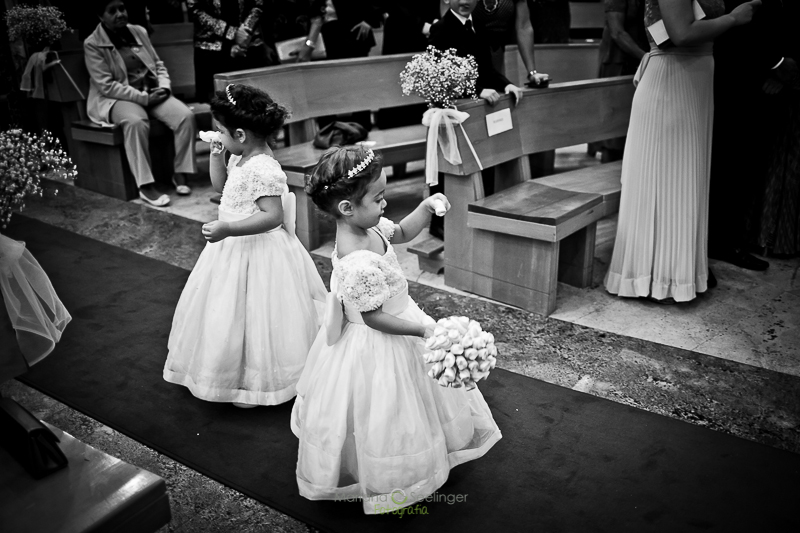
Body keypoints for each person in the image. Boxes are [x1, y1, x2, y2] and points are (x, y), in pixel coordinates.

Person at [291, 146, 501, 514]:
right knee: (387, 406)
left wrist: (426, 207)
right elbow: (373, 318)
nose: (385, 203)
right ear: (347, 207)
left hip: (402, 316)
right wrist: (421, 331)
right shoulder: (356, 261)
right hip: (379, 339)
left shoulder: (369, 225)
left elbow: (401, 232)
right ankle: (394, 472)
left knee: (420, 396)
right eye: (379, 198)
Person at [163, 84, 327, 406]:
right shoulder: (241, 156)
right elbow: (221, 187)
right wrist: (217, 155)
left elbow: (273, 216)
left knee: (257, 313)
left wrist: (229, 228)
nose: (218, 135)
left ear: (240, 134)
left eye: (222, 132)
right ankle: (229, 369)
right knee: (228, 310)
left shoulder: (263, 168)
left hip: (256, 251)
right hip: (230, 252)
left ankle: (256, 379)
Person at [604, 0, 761, 303]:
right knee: (668, 184)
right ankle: (651, 278)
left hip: (693, 78)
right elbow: (681, 33)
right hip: (671, 80)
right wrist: (733, 18)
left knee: (685, 184)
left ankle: (677, 275)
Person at [708, 0, 795, 270]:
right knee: (729, 165)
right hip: (740, 78)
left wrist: (787, 69)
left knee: (749, 167)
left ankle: (731, 239)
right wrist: (775, 64)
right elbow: (737, 25)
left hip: (774, 82)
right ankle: (719, 241)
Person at [84, 0, 197, 207]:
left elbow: (158, 65)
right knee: (136, 122)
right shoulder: (92, 44)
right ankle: (145, 185)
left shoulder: (138, 32)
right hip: (117, 98)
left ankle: (181, 172)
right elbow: (107, 86)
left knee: (185, 116)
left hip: (151, 92)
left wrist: (164, 88)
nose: (120, 14)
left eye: (122, 8)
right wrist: (144, 98)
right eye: (112, 11)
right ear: (101, 16)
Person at [427, 0, 524, 238]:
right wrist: (478, 90)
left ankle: (477, 213)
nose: (465, 1)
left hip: (476, 111)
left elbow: (486, 68)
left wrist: (506, 84)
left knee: (482, 161)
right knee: (448, 168)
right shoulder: (440, 29)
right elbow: (438, 77)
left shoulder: (477, 24)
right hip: (451, 112)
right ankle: (439, 222)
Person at [186, 0, 277, 104]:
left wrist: (246, 29)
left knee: (255, 100)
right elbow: (195, 9)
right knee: (218, 102)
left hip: (248, 43)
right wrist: (231, 32)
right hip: (211, 47)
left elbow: (259, 4)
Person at [590, 0, 648, 161]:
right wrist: (647, 58)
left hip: (642, 60)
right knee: (614, 134)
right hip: (618, 63)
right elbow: (617, 32)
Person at [472, 0, 550, 86]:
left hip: (496, 54)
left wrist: (532, 73)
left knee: (497, 89)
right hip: (466, 51)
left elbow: (523, 27)